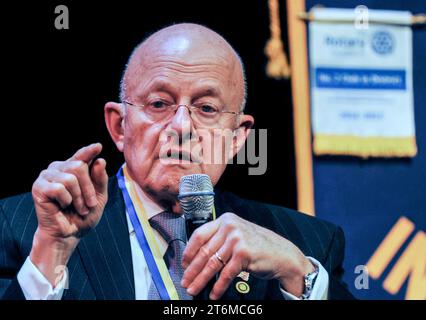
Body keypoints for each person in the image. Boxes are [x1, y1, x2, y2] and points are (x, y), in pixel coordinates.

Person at [0, 23, 354, 300]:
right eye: (159, 104)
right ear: (119, 126)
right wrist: (51, 254)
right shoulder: (26, 228)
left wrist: (297, 274)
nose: (182, 127)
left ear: (237, 138)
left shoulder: (306, 244)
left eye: (207, 109)